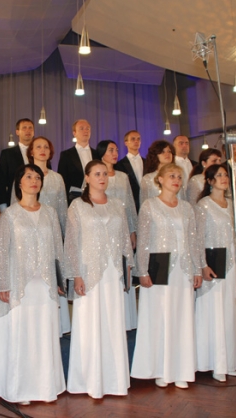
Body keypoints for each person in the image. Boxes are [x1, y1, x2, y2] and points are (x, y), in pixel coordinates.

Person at [0, 164, 66, 404]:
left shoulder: (50, 213)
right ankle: (20, 389)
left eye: (38, 177)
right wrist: (3, 283)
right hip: (19, 283)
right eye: (29, 176)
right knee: (21, 334)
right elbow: (2, 252)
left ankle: (45, 387)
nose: (34, 181)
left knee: (43, 333)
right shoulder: (10, 214)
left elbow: (58, 249)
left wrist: (60, 278)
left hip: (45, 284)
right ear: (19, 183)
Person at [64, 160, 134, 399]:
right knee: (89, 325)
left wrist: (127, 268)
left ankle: (114, 380)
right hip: (89, 272)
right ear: (87, 178)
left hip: (113, 272)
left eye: (105, 173)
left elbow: (124, 240)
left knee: (113, 323)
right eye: (97, 174)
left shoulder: (117, 205)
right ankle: (88, 380)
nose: (102, 177)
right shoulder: (77, 205)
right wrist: (76, 274)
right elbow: (71, 243)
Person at [131, 163, 204, 389]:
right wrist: (142, 270)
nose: (176, 180)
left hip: (183, 270)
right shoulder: (149, 205)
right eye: (171, 175)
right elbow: (143, 240)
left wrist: (197, 268)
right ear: (160, 180)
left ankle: (181, 369)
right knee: (160, 317)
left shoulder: (187, 208)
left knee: (182, 319)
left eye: (179, 176)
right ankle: (161, 369)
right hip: (159, 269)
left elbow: (193, 240)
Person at [193, 164, 236, 382]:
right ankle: (214, 363)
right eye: (218, 175)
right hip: (214, 263)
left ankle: (229, 362)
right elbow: (198, 238)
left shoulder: (233, 205)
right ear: (210, 181)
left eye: (226, 175)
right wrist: (202, 265)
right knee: (214, 311)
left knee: (229, 312)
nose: (224, 178)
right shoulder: (203, 205)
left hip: (233, 262)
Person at [10, 136, 70, 335]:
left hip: (49, 234)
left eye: (46, 146)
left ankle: (55, 328)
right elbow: (14, 206)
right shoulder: (23, 175)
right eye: (38, 147)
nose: (43, 150)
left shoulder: (57, 178)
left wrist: (63, 234)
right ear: (31, 151)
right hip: (25, 236)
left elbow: (62, 208)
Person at [96, 139, 138, 330]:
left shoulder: (122, 176)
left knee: (123, 266)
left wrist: (132, 229)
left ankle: (125, 320)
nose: (115, 153)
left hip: (121, 228)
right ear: (102, 153)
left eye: (116, 150)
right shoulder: (94, 173)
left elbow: (129, 204)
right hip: (101, 230)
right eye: (110, 150)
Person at [0, 118, 35, 209]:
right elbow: (1, 182)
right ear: (17, 132)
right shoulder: (7, 154)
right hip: (14, 202)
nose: (28, 131)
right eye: (24, 128)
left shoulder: (40, 153)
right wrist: (3, 206)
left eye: (30, 128)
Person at [58, 119, 97, 204]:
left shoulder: (97, 154)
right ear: (74, 133)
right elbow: (62, 180)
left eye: (87, 128)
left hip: (96, 198)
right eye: (81, 128)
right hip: (74, 199)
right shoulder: (66, 155)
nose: (85, 131)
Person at [114, 130, 146, 212]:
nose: (136, 141)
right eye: (133, 139)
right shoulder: (119, 165)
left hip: (146, 201)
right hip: (130, 204)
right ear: (126, 143)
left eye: (138, 139)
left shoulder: (148, 162)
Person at [139, 140, 177, 205]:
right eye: (162, 152)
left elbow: (182, 198)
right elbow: (144, 204)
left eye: (169, 151)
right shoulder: (148, 178)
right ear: (155, 155)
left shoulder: (177, 176)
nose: (167, 154)